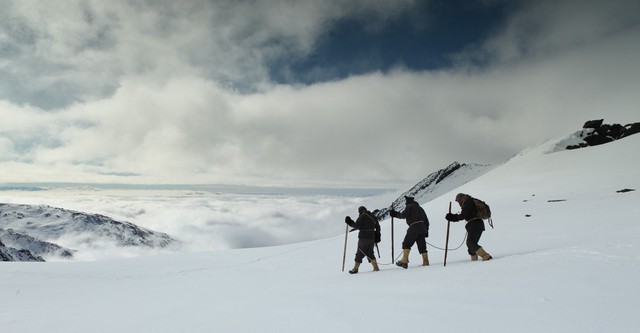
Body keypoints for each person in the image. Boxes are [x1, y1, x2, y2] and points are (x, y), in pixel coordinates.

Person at [445, 193, 493, 261]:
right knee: (472, 244)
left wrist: (452, 217)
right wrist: (453, 217)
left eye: (458, 200)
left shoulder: (468, 202)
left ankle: (486, 256)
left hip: (474, 224)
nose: (458, 202)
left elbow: (464, 215)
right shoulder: (471, 201)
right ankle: (474, 260)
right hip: (478, 224)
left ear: (460, 198)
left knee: (470, 243)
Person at [389, 196, 429, 269]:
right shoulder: (420, 208)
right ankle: (426, 261)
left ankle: (404, 261)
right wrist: (426, 231)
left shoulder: (409, 207)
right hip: (422, 228)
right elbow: (426, 220)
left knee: (406, 244)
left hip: (414, 227)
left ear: (408, 201)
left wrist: (395, 214)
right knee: (422, 245)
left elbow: (403, 215)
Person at [344, 206, 380, 274]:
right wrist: (378, 236)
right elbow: (378, 226)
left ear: (360, 211)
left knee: (360, 252)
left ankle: (355, 269)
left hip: (363, 237)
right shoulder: (372, 216)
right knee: (370, 252)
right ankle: (376, 267)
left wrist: (349, 222)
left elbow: (357, 226)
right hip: (372, 237)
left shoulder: (362, 217)